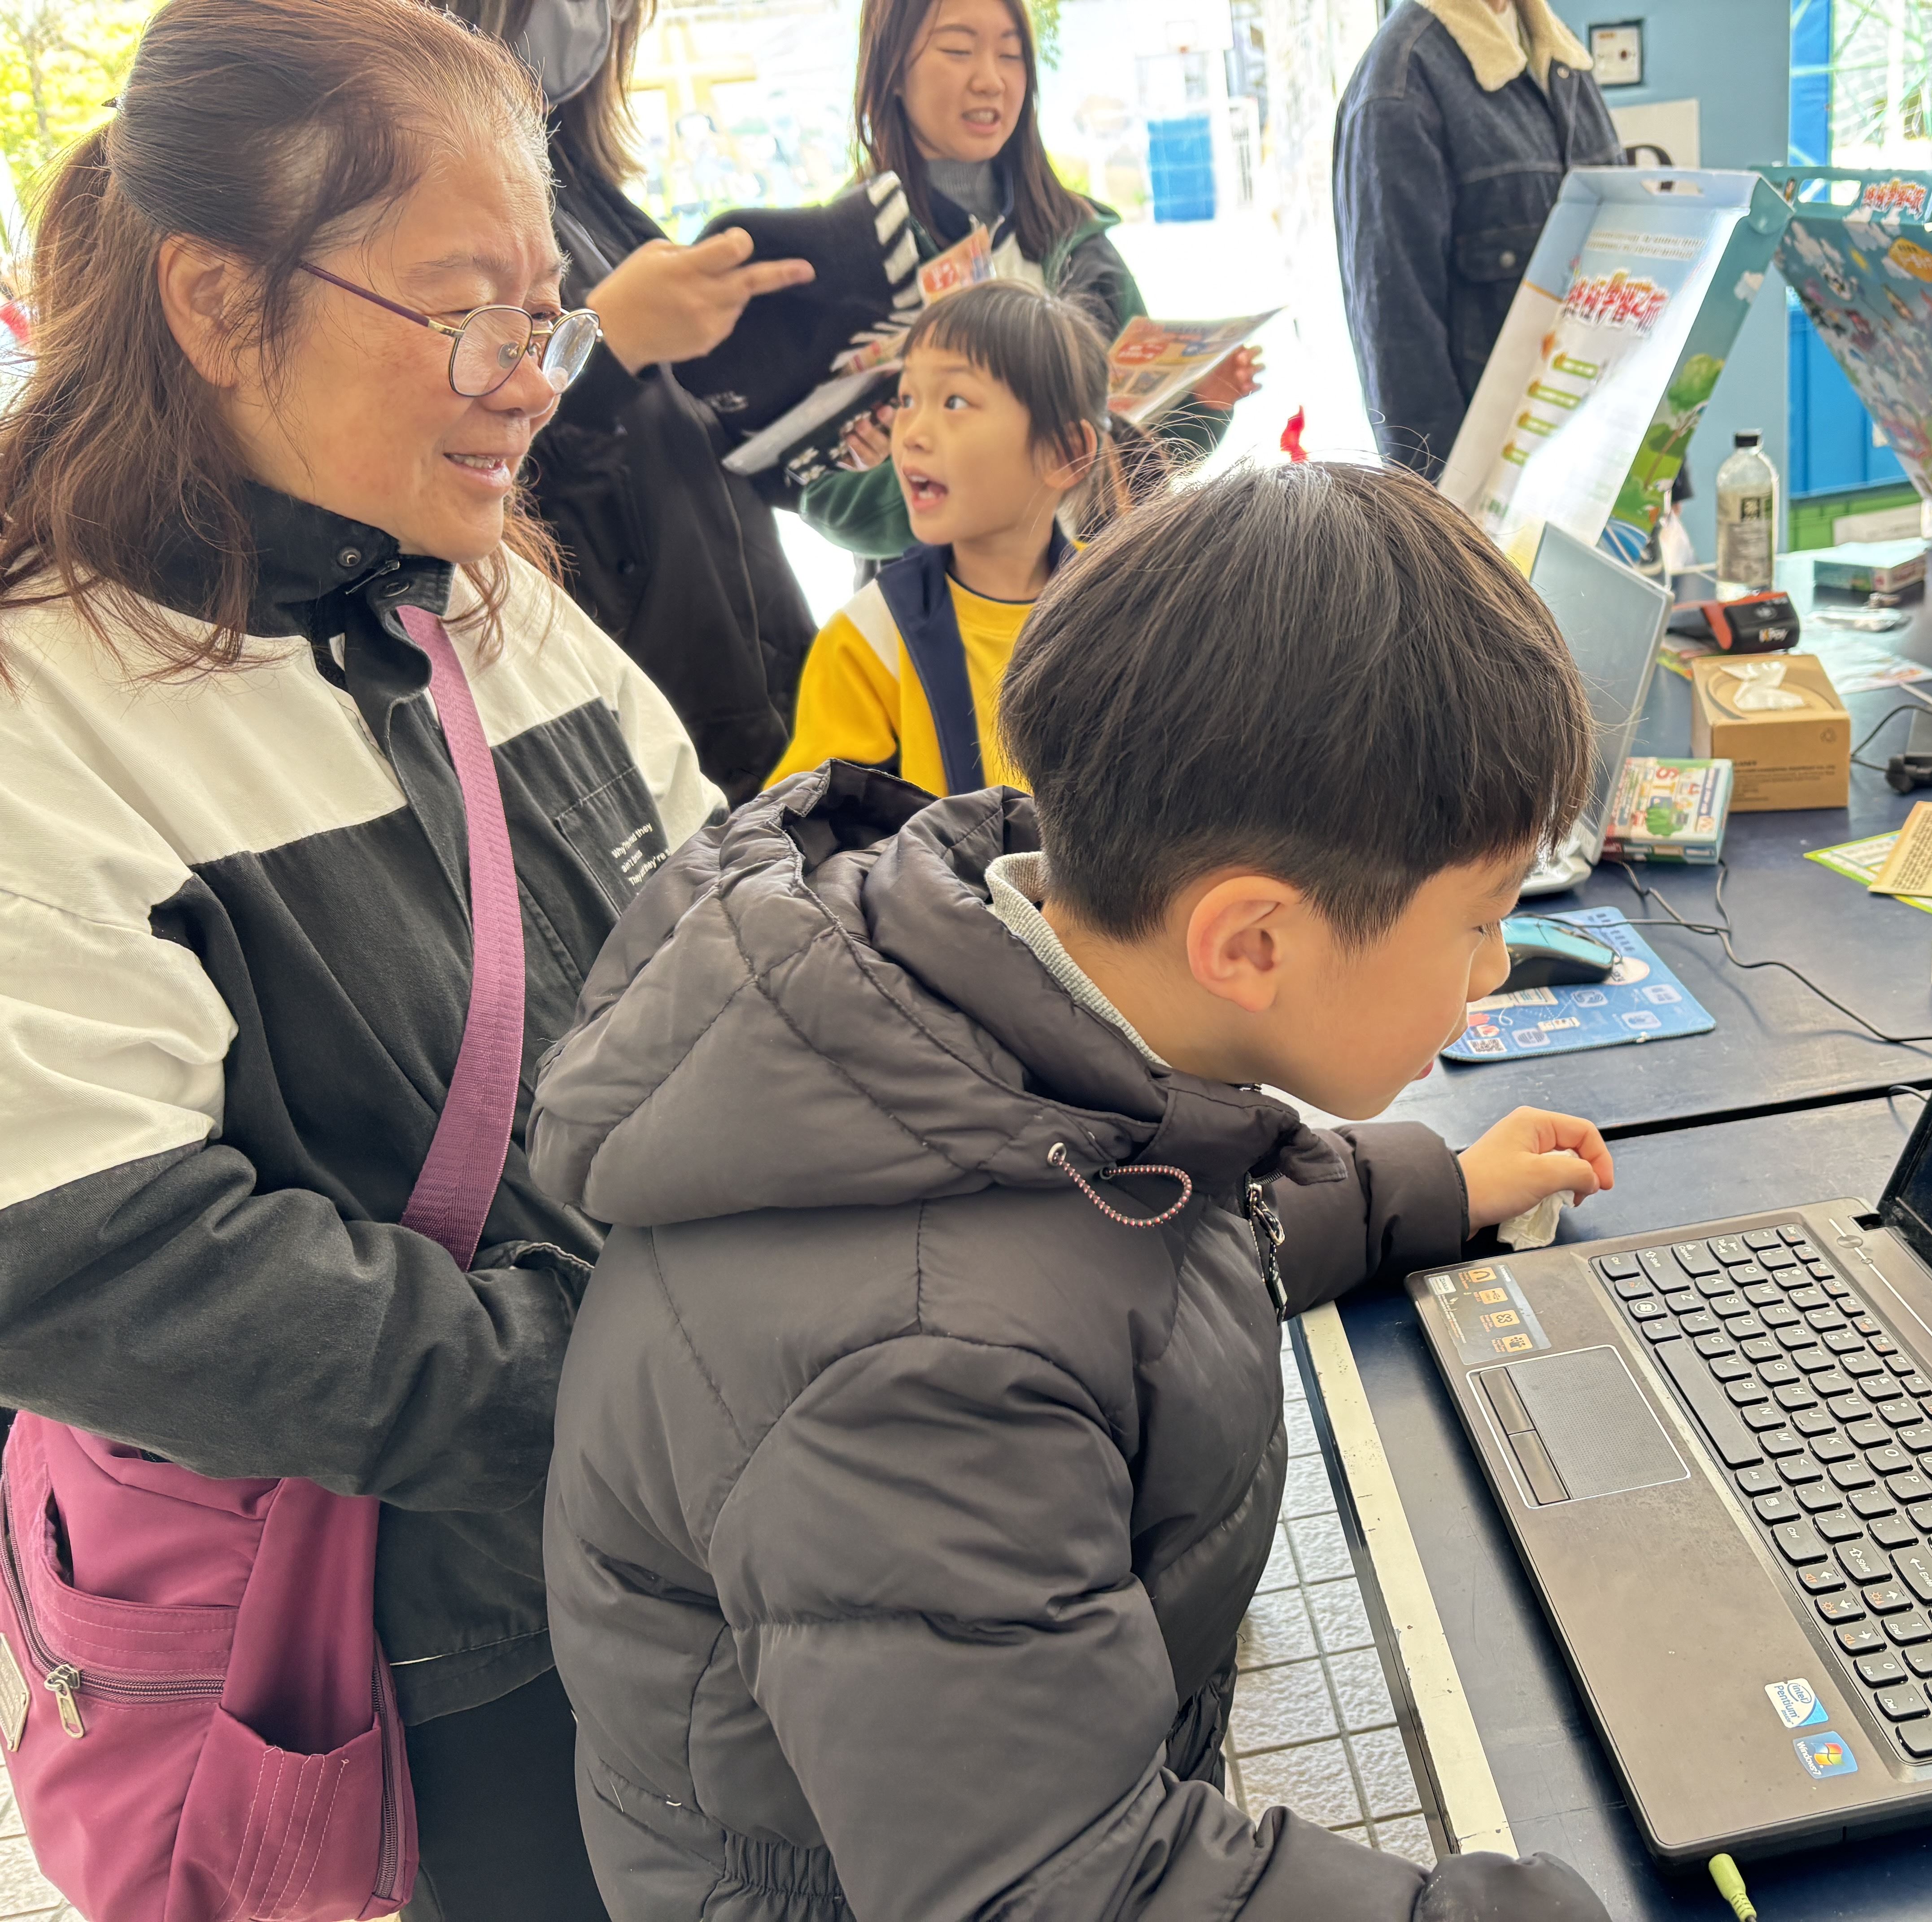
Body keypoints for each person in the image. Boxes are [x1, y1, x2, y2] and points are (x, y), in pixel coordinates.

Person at [533, 460, 1619, 1922]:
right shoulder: (926, 1370)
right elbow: (1061, 1886)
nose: (1491, 973)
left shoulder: (1021, 1023)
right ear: (1250, 942)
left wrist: (1426, 1184)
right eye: (1480, 924)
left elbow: (1155, 1235)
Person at [0, 2, 721, 1917]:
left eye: (546, 315)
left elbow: (731, 935)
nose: (530, 381)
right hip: (417, 1653)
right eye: (466, 312)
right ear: (218, 301)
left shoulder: (481, 598)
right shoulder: (46, 694)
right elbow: (94, 1261)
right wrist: (647, 1386)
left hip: (669, 1561)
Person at [441, 0, 824, 803]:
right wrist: (607, 345)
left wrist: (806, 418)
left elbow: (684, 434)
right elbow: (460, 451)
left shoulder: (585, 186)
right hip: (640, 711)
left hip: (752, 668)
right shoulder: (445, 196)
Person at [796, 0, 1260, 558]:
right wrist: (929, 469)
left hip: (1094, 586)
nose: (990, 81)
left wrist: (1204, 404)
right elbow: (829, 499)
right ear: (891, 71)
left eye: (1011, 55)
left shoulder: (1075, 233)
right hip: (944, 602)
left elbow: (1135, 460)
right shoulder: (850, 254)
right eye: (958, 50)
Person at [771, 279, 1138, 791]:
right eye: (906, 399)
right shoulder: (869, 638)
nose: (912, 434)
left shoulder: (1126, 606)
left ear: (1065, 453)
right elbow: (804, 819)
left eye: (955, 402)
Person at [1334, 0, 1623, 479]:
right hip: (1494, 497)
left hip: (1601, 469)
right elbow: (1400, 352)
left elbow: (1627, 275)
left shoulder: (1560, 55)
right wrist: (1440, 517)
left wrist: (1663, 479)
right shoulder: (1399, 86)